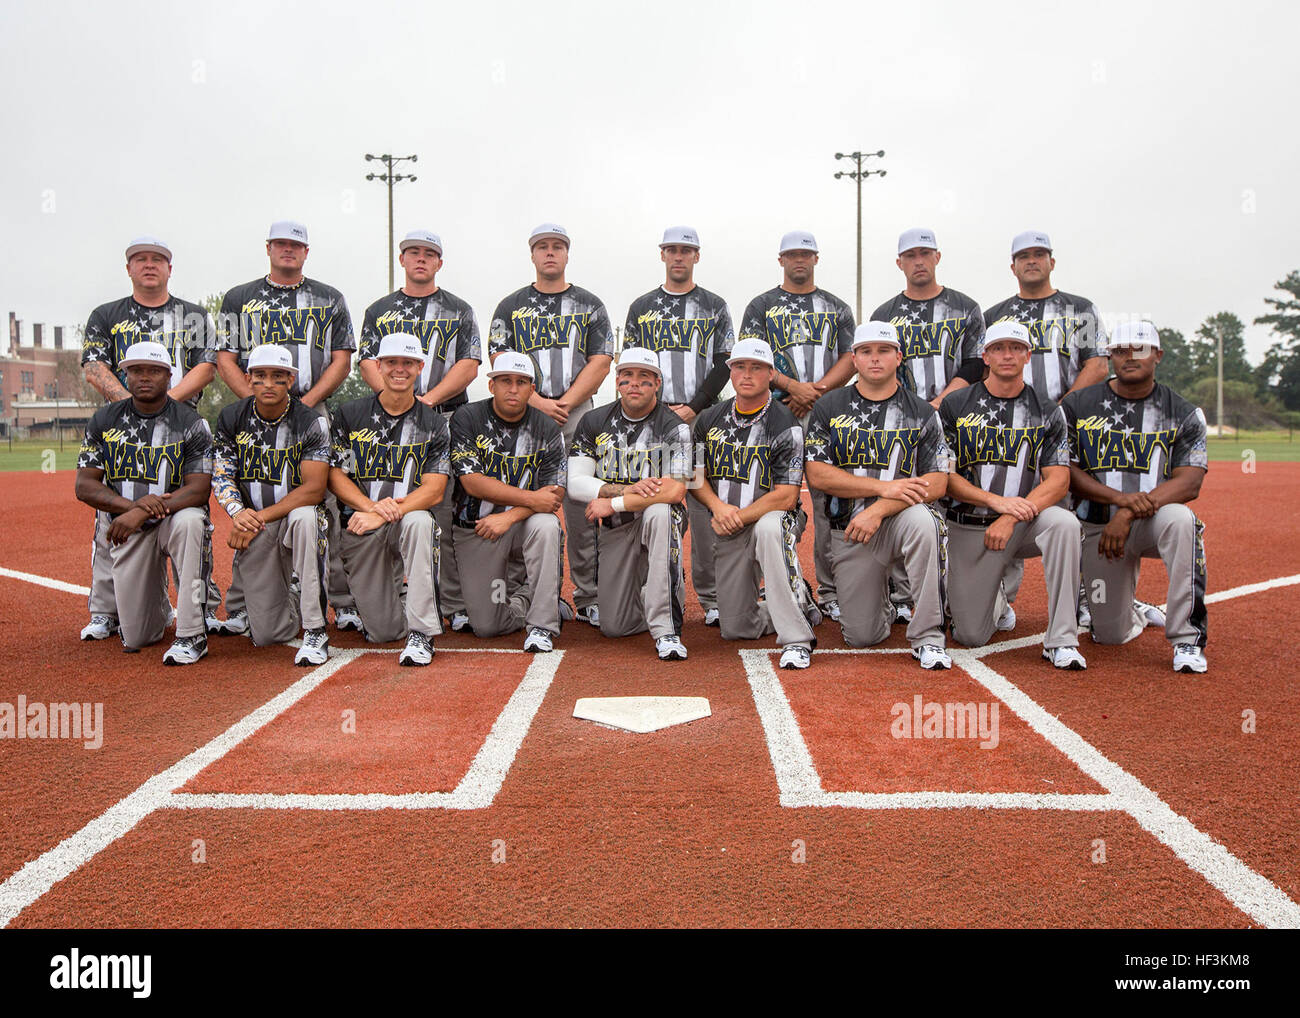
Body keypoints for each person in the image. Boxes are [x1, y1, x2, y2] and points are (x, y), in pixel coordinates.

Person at [215, 220, 358, 636]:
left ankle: (341, 602)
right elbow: (225, 357)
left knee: (324, 505)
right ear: (268, 248)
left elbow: (341, 359)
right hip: (253, 416)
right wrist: (256, 401)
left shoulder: (328, 298)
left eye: (296, 245)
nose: (288, 250)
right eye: (280, 244)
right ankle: (241, 604)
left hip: (312, 410)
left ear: (306, 252)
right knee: (249, 496)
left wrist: (303, 407)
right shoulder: (240, 298)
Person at [79, 235, 221, 640]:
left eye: (157, 259)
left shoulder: (193, 314)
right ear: (129, 268)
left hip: (180, 423)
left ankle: (202, 605)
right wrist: (132, 409)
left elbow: (206, 366)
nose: (149, 265)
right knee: (110, 515)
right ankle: (105, 609)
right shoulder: (106, 314)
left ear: (169, 268)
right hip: (122, 423)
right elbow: (94, 365)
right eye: (140, 259)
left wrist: (163, 405)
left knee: (191, 517)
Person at [1060, 322, 1209, 673]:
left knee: (1183, 521)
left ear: (1157, 355)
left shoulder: (1183, 412)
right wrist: (1118, 501)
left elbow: (1190, 482)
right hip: (1099, 527)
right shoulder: (1078, 405)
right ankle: (1135, 611)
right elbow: (1067, 471)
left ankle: (1188, 638)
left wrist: (1126, 512)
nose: (1130, 356)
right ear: (1110, 355)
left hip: (1152, 521)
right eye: (1121, 350)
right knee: (1108, 635)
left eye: (1140, 349)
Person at [803, 322, 953, 670]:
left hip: (899, 518)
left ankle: (929, 636)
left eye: (884, 351)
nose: (875, 358)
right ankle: (883, 600)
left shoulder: (923, 412)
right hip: (852, 528)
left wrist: (880, 508)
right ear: (853, 359)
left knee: (925, 522)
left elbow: (938, 481)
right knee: (861, 636)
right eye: (866, 351)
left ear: (899, 357)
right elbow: (819, 473)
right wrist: (882, 487)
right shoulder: (829, 407)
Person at [939, 322, 1086, 669]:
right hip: (969, 522)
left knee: (1064, 524)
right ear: (986, 356)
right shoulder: (956, 405)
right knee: (969, 635)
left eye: (1016, 348)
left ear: (1027, 355)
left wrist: (1009, 515)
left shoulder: (1048, 410)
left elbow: (1059, 479)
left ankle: (1062, 638)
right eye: (999, 348)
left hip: (1025, 522)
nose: (1008, 355)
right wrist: (995, 502)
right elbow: (945, 477)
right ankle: (998, 600)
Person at [982, 230, 1111, 625]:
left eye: (1040, 254)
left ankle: (1088, 596)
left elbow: (1098, 363)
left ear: (1052, 261)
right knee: (1009, 494)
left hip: (1070, 422)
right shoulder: (995, 315)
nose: (1032, 261)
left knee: (1080, 507)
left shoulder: (1080, 309)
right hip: (1007, 427)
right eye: (1024, 256)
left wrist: (1057, 410)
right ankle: (1001, 594)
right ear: (1013, 266)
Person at [487, 223, 613, 626]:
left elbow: (601, 358)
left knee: (580, 504)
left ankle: (589, 593)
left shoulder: (589, 304)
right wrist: (536, 400)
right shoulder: (510, 306)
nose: (550, 253)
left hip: (577, 413)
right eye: (543, 246)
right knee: (522, 499)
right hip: (521, 412)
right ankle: (526, 592)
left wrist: (566, 402)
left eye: (557, 246)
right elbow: (500, 359)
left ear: (567, 253)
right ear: (532, 253)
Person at [357, 229, 480, 633]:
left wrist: (424, 403)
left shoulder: (458, 309)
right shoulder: (380, 309)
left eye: (429, 254)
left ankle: (453, 600)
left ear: (439, 262)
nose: (421, 259)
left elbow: (469, 363)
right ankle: (387, 595)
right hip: (386, 420)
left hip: (443, 417)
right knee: (384, 498)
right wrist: (397, 403)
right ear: (402, 259)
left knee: (444, 510)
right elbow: (368, 362)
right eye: (413, 253)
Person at [737, 230, 856, 621]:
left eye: (806, 254)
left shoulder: (836, 307)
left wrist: (817, 391)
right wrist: (793, 387)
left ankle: (831, 588)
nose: (799, 260)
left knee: (827, 500)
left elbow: (848, 357)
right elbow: (751, 359)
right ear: (781, 260)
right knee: (766, 496)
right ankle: (764, 583)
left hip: (826, 411)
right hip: (777, 409)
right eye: (792, 255)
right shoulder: (761, 306)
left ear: (816, 259)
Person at [869, 227, 985, 622]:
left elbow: (974, 362)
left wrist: (940, 401)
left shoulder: (966, 307)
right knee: (905, 495)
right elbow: (880, 364)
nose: (918, 261)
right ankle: (902, 594)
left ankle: (965, 591)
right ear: (899, 263)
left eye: (925, 253)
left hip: (958, 417)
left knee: (953, 498)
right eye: (910, 255)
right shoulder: (884, 314)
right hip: (902, 419)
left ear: (937, 257)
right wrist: (917, 407)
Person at [74, 341, 214, 664]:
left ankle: (192, 633)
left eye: (154, 370)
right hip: (130, 527)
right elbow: (84, 485)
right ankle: (160, 607)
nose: (144, 377)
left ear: (169, 376)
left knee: (192, 520)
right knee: (138, 635)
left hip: (173, 520)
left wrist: (141, 511)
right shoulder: (104, 420)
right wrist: (132, 510)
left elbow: (199, 490)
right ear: (125, 376)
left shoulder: (191, 422)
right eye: (136, 370)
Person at [623, 226, 734, 626]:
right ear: (662, 255)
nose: (679, 257)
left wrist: (694, 407)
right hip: (651, 420)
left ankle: (711, 595)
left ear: (696, 257)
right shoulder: (641, 306)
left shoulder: (714, 305)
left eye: (686, 251)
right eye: (672, 250)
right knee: (652, 497)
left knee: (703, 501)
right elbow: (632, 360)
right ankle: (646, 589)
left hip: (702, 417)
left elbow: (724, 362)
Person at [691, 338, 822, 670]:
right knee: (736, 628)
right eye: (739, 367)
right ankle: (798, 598)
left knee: (769, 527)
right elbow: (693, 476)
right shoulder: (708, 419)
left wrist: (737, 515)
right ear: (730, 372)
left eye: (756, 368)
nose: (746, 375)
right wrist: (719, 509)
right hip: (730, 522)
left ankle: (796, 639)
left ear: (771, 374)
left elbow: (787, 495)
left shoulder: (786, 424)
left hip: (773, 517)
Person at [328, 334, 450, 666]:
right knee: (383, 631)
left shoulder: (434, 424)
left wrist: (384, 513)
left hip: (402, 521)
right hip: (362, 524)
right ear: (378, 366)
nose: (400, 369)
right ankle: (400, 596)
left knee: (420, 519)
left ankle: (422, 632)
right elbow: (337, 475)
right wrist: (370, 508)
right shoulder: (351, 415)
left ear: (420, 367)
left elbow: (434, 489)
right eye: (392, 362)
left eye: (408, 363)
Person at [568, 347, 691, 660]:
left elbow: (675, 490)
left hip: (653, 518)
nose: (635, 383)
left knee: (661, 512)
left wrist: (615, 502)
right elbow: (576, 482)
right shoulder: (593, 421)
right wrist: (623, 489)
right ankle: (654, 591)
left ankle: (667, 629)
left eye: (644, 378)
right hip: (617, 528)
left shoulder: (676, 426)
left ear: (657, 383)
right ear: (618, 381)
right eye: (628, 376)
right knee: (614, 626)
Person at [212, 345, 332, 666]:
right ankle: (290, 597)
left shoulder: (310, 422)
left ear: (290, 381)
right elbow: (222, 476)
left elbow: (314, 489)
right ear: (249, 379)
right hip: (257, 524)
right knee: (267, 635)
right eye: (261, 376)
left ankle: (316, 629)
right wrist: (239, 515)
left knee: (307, 518)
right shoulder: (231, 417)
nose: (268, 384)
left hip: (292, 518)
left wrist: (255, 517)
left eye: (278, 377)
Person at [448, 352, 567, 652]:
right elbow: (471, 481)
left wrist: (510, 516)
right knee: (488, 625)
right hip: (479, 528)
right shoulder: (467, 418)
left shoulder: (548, 429)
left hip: (523, 526)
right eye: (505, 381)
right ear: (492, 386)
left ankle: (542, 623)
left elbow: (554, 494)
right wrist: (528, 499)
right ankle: (528, 594)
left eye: (521, 382)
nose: (513, 389)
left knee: (546, 524)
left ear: (532, 389)